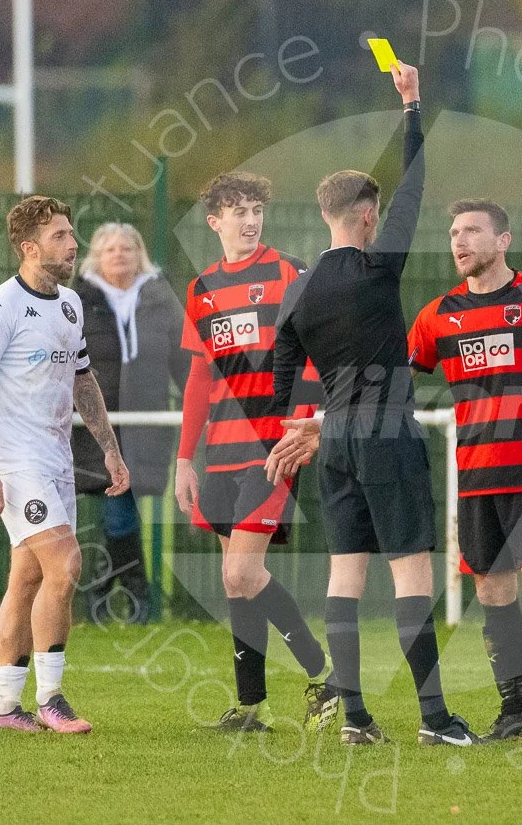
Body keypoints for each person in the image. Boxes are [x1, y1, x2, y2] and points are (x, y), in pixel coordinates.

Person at [266, 62, 479, 748]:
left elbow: (278, 377)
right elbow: (415, 190)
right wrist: (412, 107)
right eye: (380, 212)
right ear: (366, 214)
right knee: (413, 574)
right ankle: (436, 719)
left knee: (345, 578)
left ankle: (354, 717)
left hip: (336, 445)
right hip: (388, 434)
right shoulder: (378, 266)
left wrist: (300, 423)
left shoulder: (297, 292)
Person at [406, 198, 522, 743]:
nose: (460, 242)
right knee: (494, 593)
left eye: (473, 231)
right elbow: (398, 378)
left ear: (503, 240)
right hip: (475, 473)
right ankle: (513, 710)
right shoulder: (436, 314)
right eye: (454, 232)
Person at [172, 172, 336, 731]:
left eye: (256, 210)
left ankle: (322, 671)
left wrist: (304, 427)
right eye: (237, 211)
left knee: (243, 574)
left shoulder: (289, 272)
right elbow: (199, 379)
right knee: (234, 581)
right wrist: (183, 461)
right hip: (220, 451)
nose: (249, 220)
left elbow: (315, 353)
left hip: (273, 446)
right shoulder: (202, 289)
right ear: (214, 222)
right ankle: (251, 707)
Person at [0, 195, 129, 733]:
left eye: (71, 234)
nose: (72, 244)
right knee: (67, 564)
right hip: (16, 461)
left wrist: (109, 447)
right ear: (29, 247)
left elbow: (83, 379)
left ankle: (4, 708)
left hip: (56, 458)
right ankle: (52, 697)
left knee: (27, 578)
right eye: (60, 236)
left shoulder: (70, 305)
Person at [72, 222, 190, 625]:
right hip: (98, 423)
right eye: (110, 249)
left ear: (140, 255)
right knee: (118, 504)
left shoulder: (161, 298)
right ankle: (132, 589)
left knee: (124, 505)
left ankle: (112, 588)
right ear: (97, 257)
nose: (120, 254)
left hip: (146, 418)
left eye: (127, 248)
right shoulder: (78, 300)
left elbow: (184, 358)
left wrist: (197, 398)